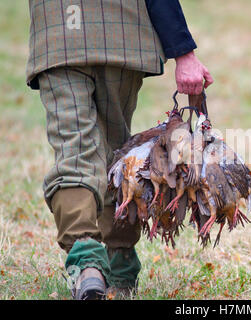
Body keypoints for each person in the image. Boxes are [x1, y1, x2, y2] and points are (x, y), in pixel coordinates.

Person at [26, 0, 213, 300]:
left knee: (74, 151)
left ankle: (86, 262)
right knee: (115, 153)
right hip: (121, 35)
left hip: (59, 32)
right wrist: (184, 53)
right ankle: (120, 264)